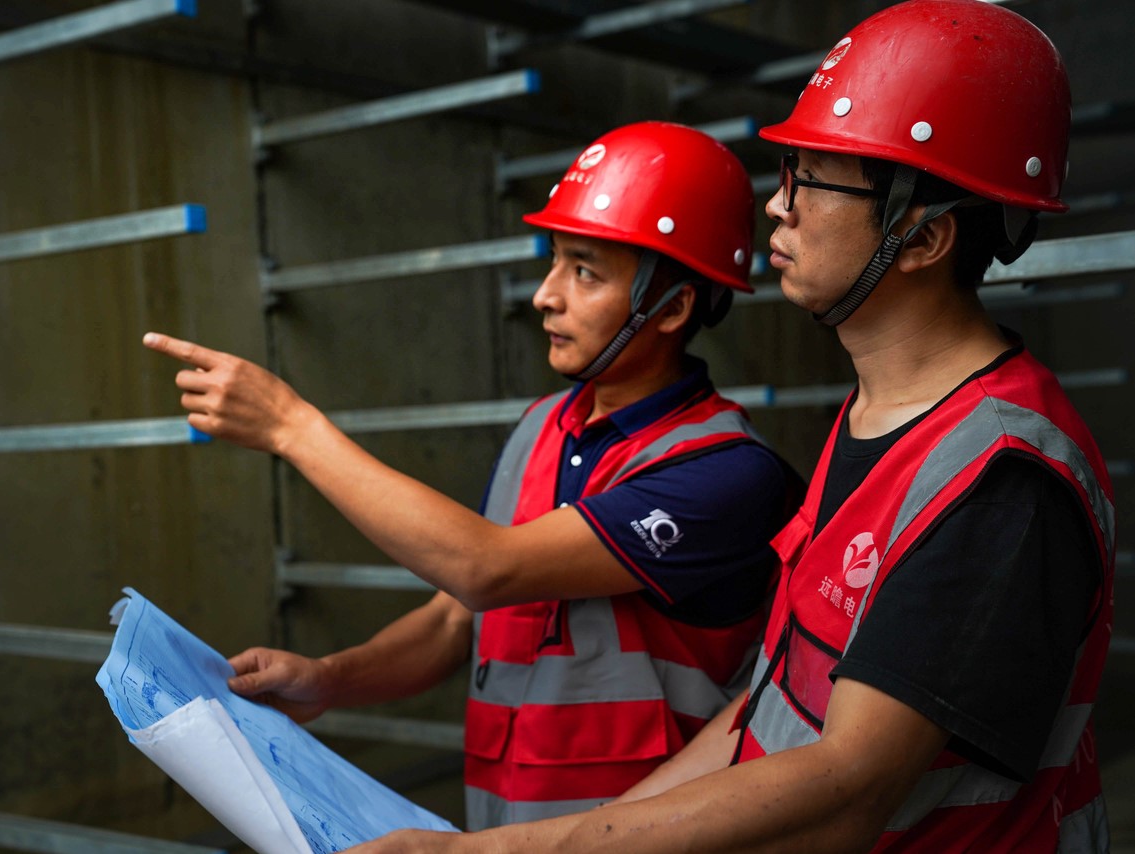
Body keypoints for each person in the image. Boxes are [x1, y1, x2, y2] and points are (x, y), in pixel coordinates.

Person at [346, 1, 1115, 851]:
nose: (777, 207)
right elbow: (763, 714)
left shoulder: (1000, 475)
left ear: (923, 238)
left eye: (813, 178)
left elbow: (848, 788)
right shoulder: (874, 423)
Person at [144, 122, 800, 829]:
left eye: (584, 271)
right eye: (554, 262)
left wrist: (291, 426)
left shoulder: (726, 474)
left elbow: (487, 569)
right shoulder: (541, 427)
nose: (544, 296)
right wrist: (330, 678)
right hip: (502, 831)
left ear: (671, 309)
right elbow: (458, 617)